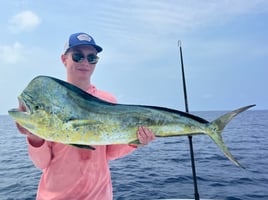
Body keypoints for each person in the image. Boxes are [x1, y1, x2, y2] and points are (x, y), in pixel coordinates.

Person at [16, 32, 155, 200]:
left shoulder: (107, 100)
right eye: (77, 56)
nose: (85, 62)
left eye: (91, 58)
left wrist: (135, 142)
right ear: (63, 59)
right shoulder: (50, 102)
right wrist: (34, 137)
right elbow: (42, 163)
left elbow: (109, 153)